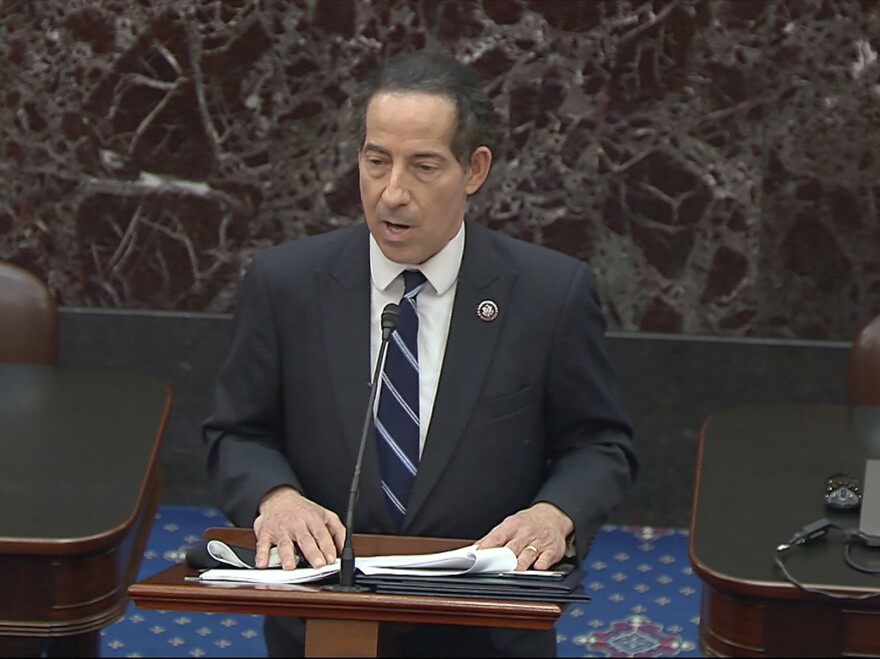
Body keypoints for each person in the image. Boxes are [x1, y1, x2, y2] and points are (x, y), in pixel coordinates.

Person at [203, 49, 637, 657]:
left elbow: (599, 444)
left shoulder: (548, 294)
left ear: (474, 169)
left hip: (485, 626)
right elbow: (237, 433)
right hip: (327, 617)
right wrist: (276, 498)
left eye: (424, 166)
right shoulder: (287, 284)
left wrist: (554, 513)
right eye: (375, 161)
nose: (392, 193)